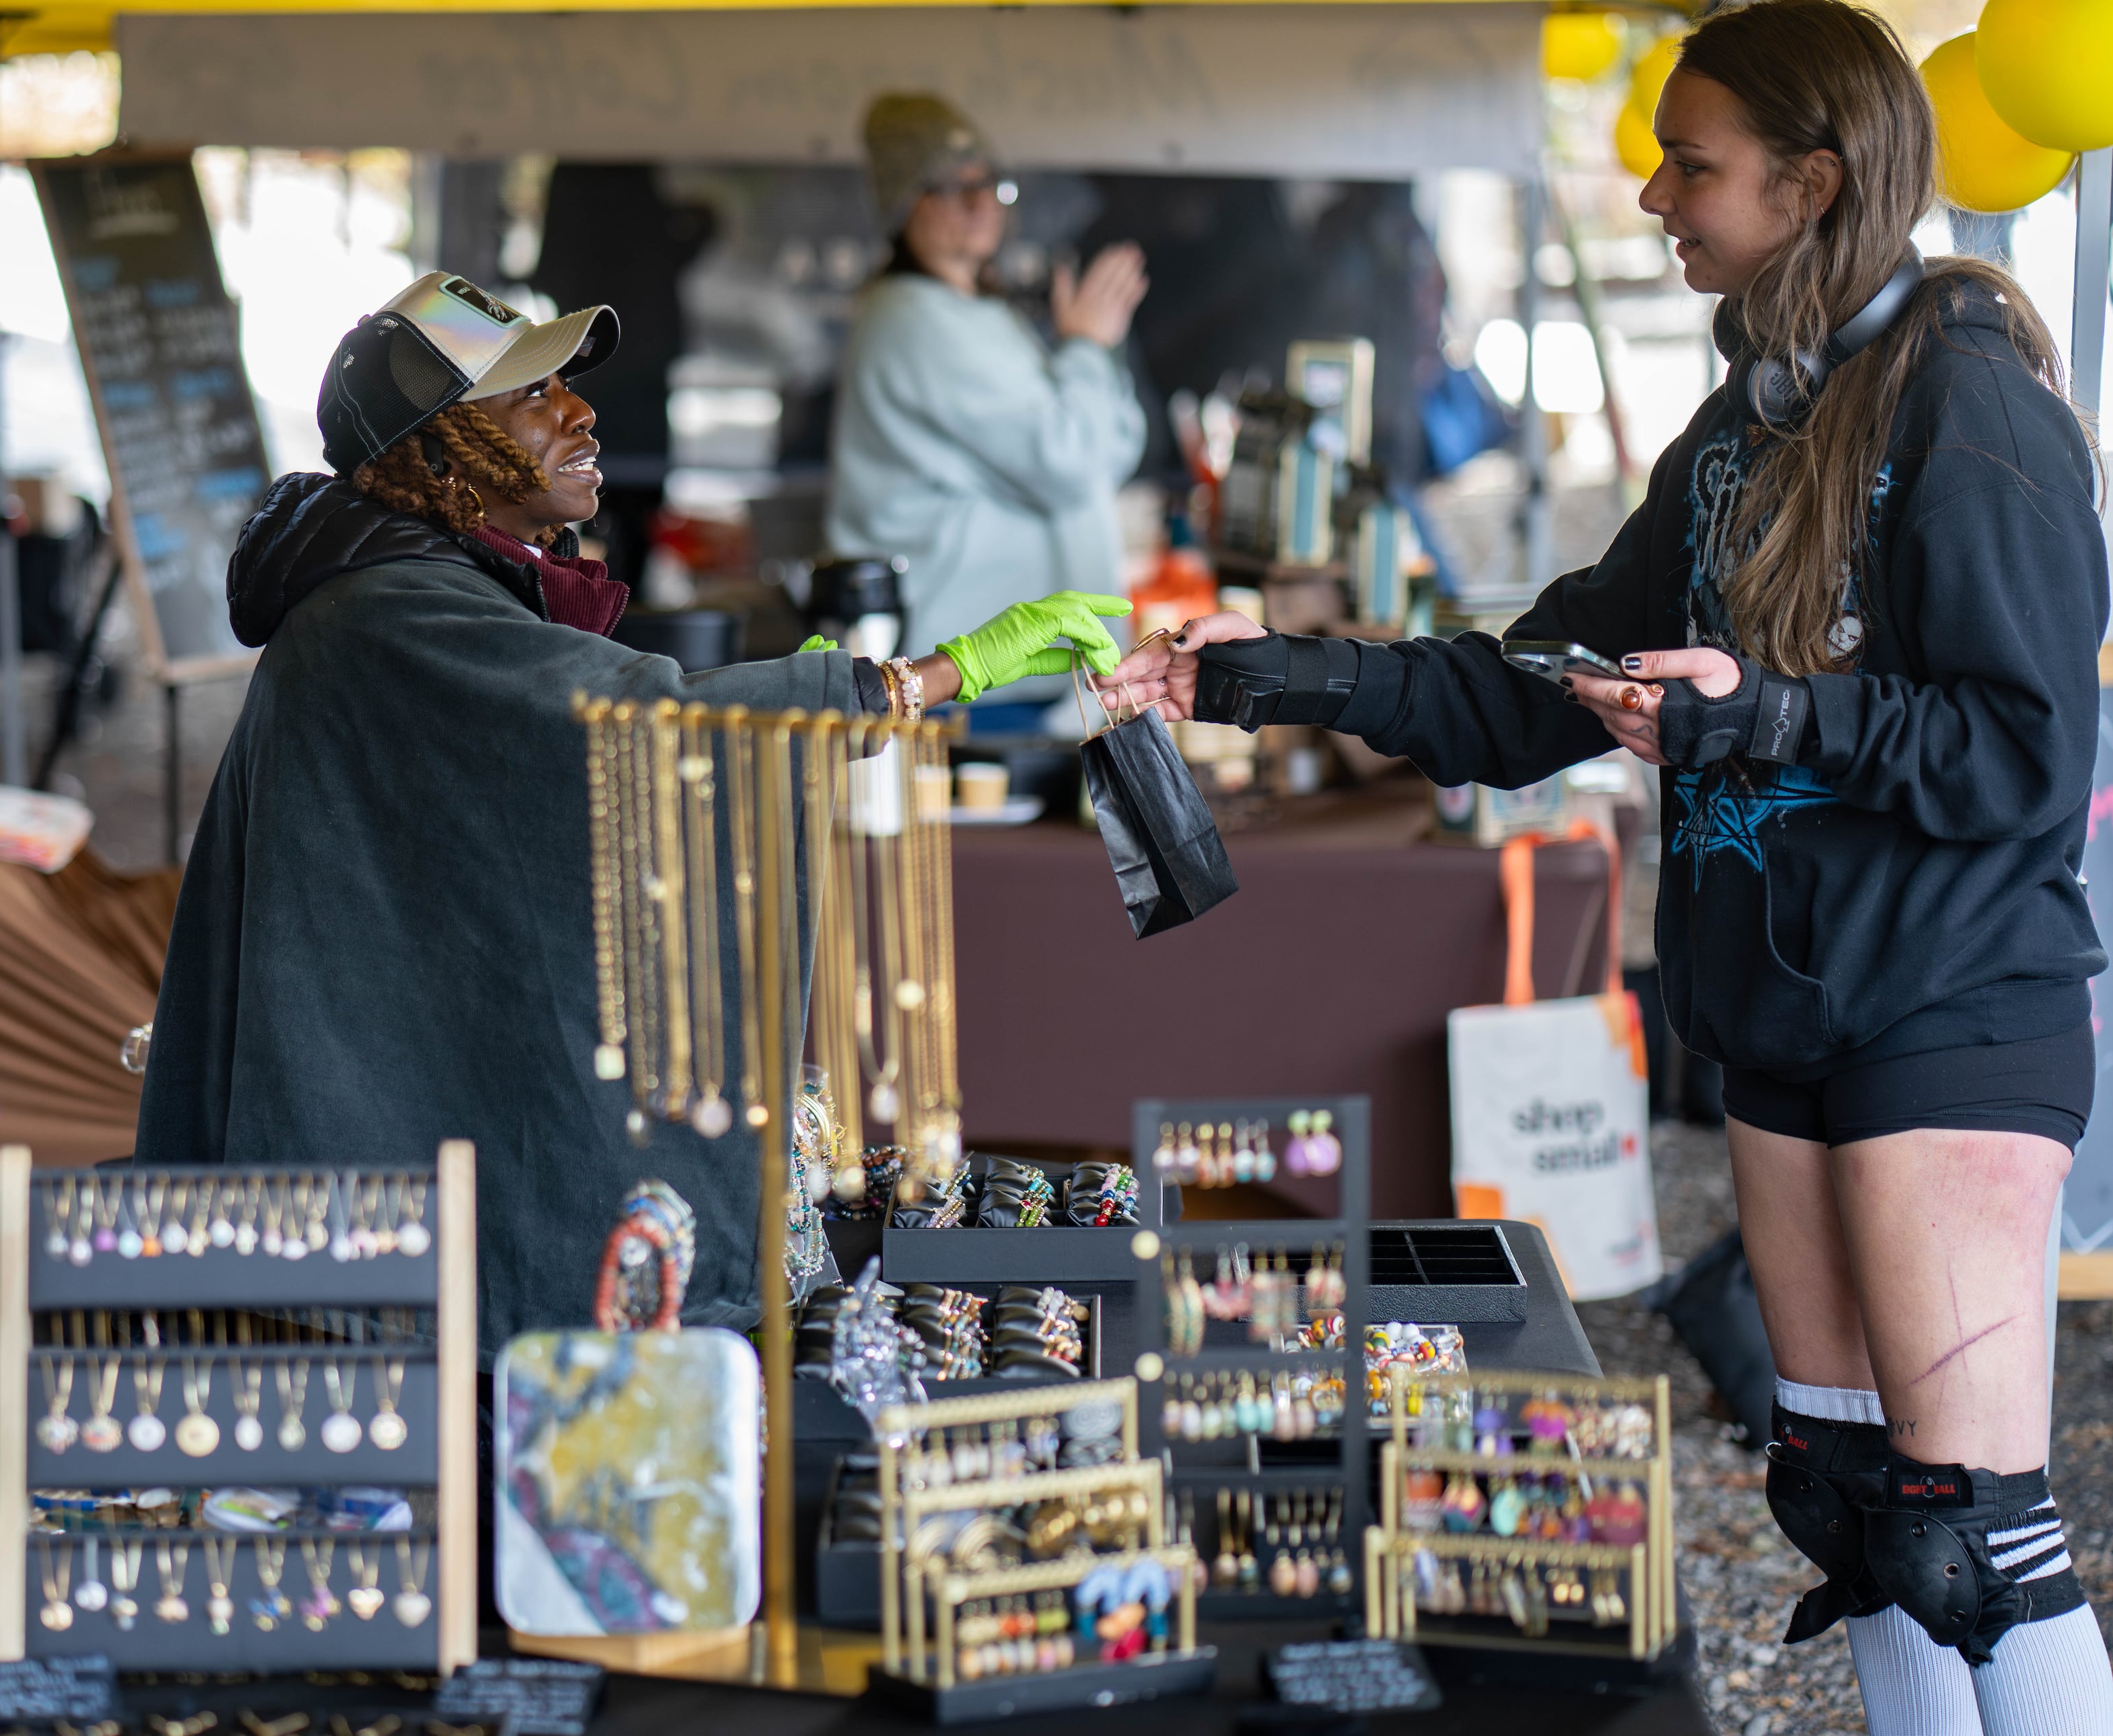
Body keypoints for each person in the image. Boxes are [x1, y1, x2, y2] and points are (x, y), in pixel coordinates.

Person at [1102, 3, 2113, 1728]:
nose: (1650, 192)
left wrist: (1768, 718)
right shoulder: (1734, 431)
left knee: (1966, 1535)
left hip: (1948, 1006)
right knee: (1850, 1508)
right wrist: (1277, 670)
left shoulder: (1968, 411)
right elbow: (1542, 681)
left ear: (1810, 182)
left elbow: (2026, 758)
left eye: (1687, 162)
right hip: (1783, 1015)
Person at [135, 271, 1126, 1350]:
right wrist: (933, 675)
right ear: (440, 450)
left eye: (565, 386)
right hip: (355, 1222)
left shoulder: (414, 584)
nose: (580, 413)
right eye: (531, 397)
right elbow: (632, 725)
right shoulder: (390, 609)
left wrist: (792, 705)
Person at [826, 93, 1150, 713]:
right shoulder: (915, 319)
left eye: (989, 184)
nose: (979, 203)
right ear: (903, 206)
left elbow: (1110, 452)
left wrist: (1094, 352)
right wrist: (1085, 348)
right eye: (948, 186)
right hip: (969, 673)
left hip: (1015, 670)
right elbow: (1070, 460)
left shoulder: (978, 314)